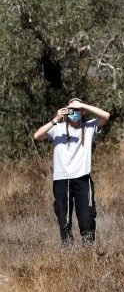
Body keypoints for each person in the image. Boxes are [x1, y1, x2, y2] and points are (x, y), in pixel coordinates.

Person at [33, 98, 110, 244]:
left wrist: (82, 105)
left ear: (83, 112)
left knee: (87, 216)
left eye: (78, 110)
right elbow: (37, 136)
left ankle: (87, 251)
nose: (74, 112)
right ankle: (68, 252)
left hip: (83, 178)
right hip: (62, 179)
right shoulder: (57, 128)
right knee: (64, 218)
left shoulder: (88, 127)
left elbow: (106, 116)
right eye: (71, 109)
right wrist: (56, 118)